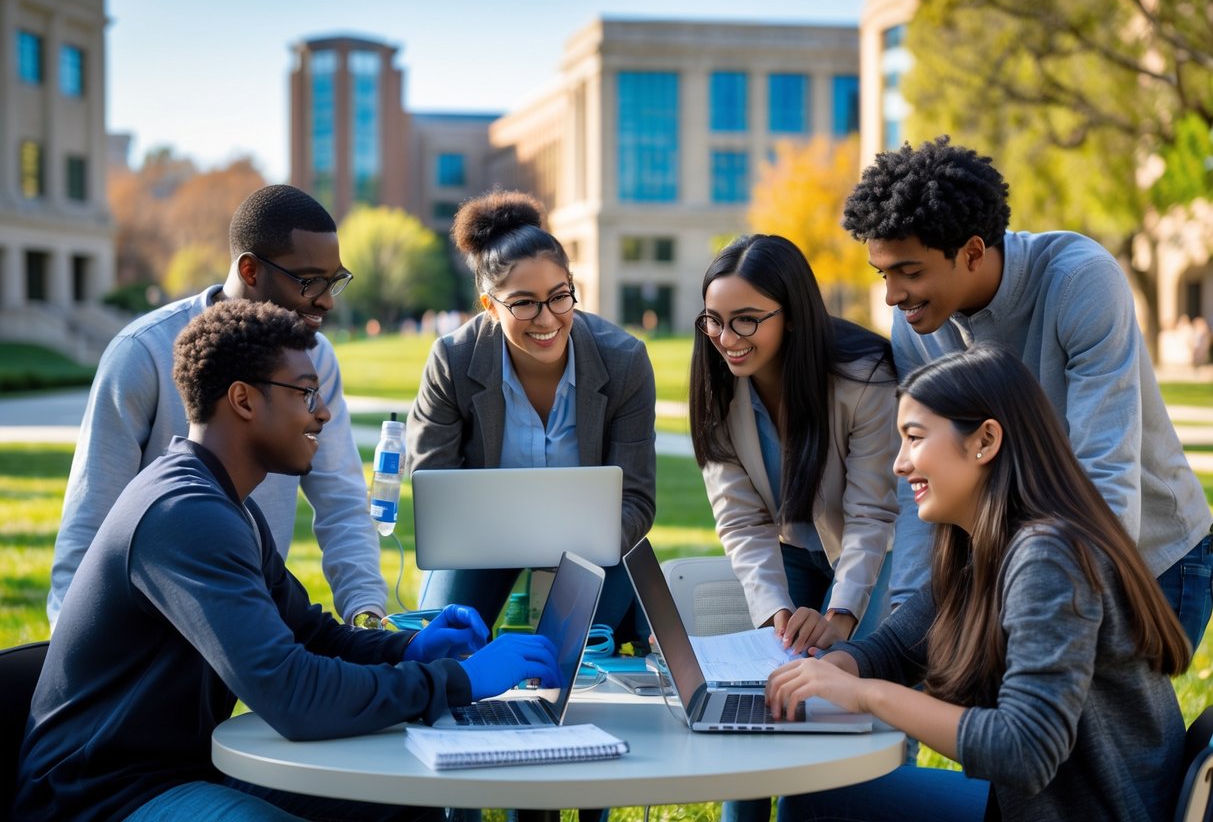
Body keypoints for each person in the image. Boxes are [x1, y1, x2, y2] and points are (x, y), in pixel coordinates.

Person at [15, 299, 560, 822]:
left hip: (179, 768)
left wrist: (409, 646)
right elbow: (293, 694)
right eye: (305, 394)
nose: (322, 414)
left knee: (408, 800)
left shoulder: (229, 506)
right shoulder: (184, 514)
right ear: (244, 400)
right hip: (102, 795)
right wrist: (458, 680)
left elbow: (307, 636)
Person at [768, 345, 1192, 822]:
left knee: (817, 803)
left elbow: (1024, 751)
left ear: (985, 441)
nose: (899, 464)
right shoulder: (988, 546)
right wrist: (826, 671)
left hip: (1093, 813)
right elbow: (894, 649)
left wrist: (865, 695)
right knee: (815, 797)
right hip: (1033, 808)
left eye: (914, 438)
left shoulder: (1048, 557)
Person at [843, 136, 1213, 649]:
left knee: (1096, 730)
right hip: (1026, 566)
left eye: (910, 271)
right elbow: (921, 479)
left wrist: (1063, 608)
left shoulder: (1080, 281)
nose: (892, 294)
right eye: (883, 273)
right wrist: (908, 625)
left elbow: (1103, 472)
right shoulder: (915, 326)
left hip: (1148, 556)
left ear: (972, 252)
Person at [48, 184, 389, 630]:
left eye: (334, 281)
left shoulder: (316, 356)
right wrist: (75, 651)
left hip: (245, 617)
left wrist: (366, 610)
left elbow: (341, 500)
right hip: (144, 634)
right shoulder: (144, 352)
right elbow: (89, 520)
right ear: (249, 269)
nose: (325, 300)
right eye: (310, 281)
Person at [689, 235, 900, 822]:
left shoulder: (866, 377)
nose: (726, 340)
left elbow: (873, 515)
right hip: (792, 555)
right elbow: (741, 519)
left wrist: (839, 618)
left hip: (869, 555)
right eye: (714, 321)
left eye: (747, 321)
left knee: (853, 711)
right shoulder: (719, 381)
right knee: (762, 698)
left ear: (793, 313)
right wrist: (775, 614)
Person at [407, 189, 657, 642]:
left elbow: (636, 501)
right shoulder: (452, 360)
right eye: (523, 303)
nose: (547, 319)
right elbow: (434, 484)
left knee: (575, 659)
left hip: (595, 549)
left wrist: (582, 551)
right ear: (489, 306)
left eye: (560, 296)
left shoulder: (624, 361)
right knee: (441, 644)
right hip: (480, 544)